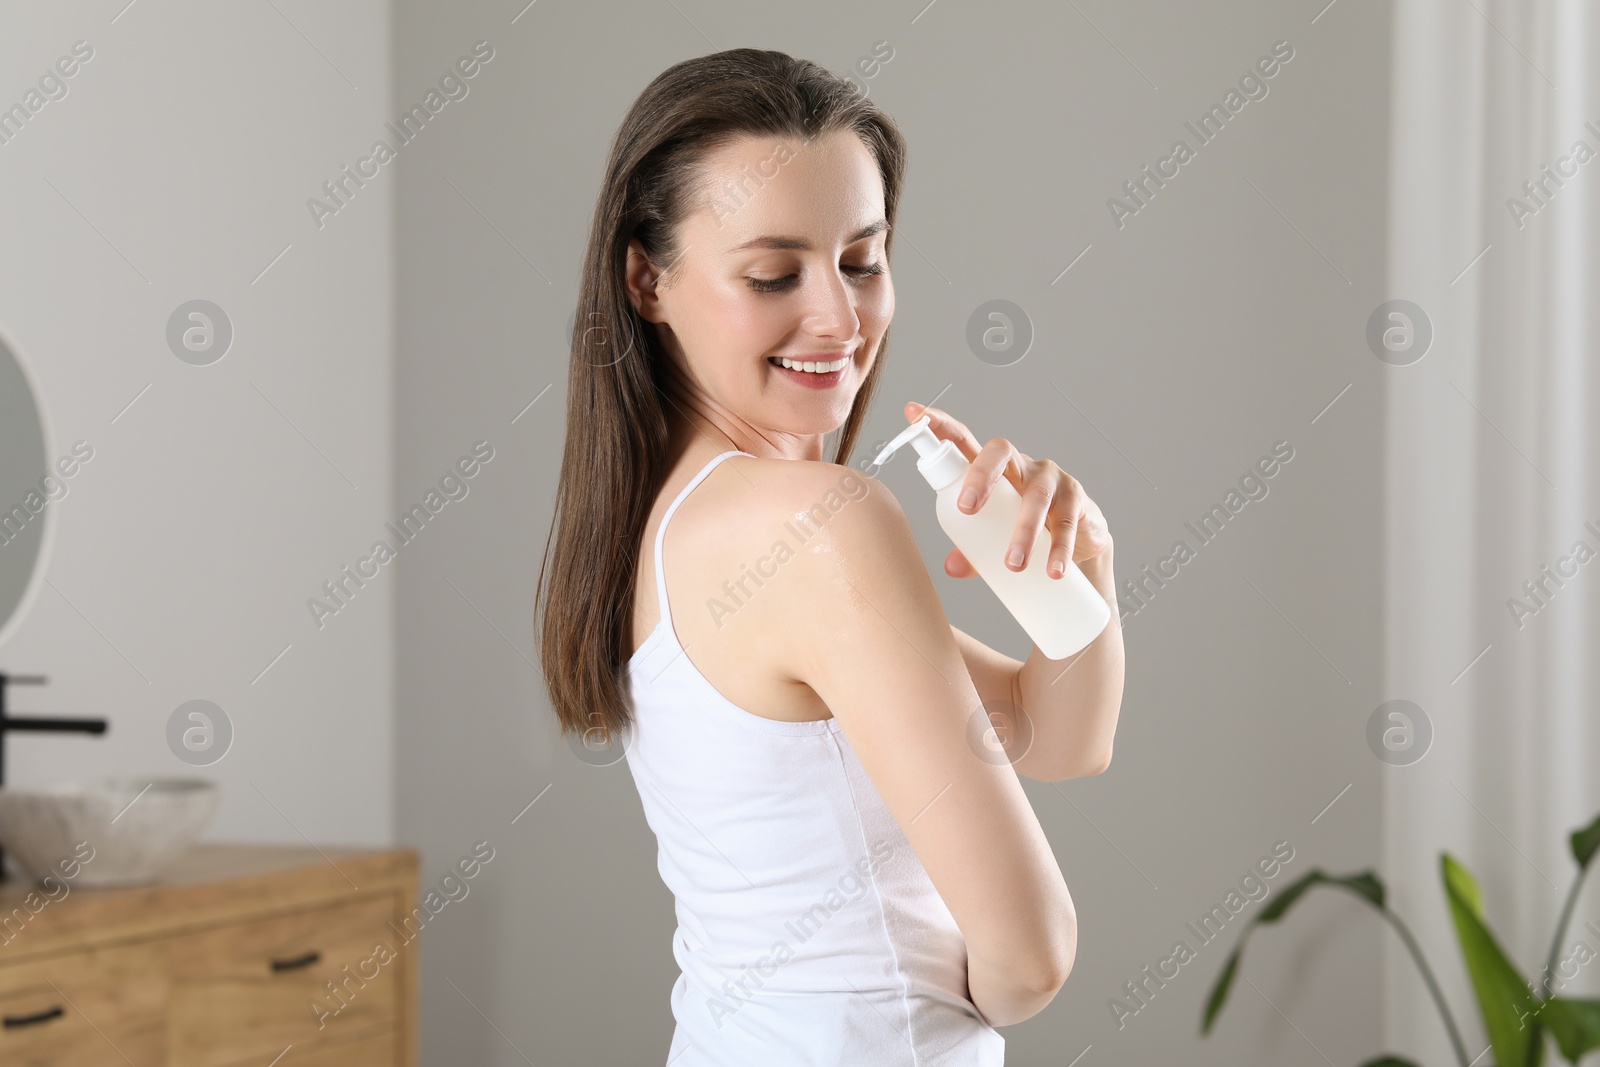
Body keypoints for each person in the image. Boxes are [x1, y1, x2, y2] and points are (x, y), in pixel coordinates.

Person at [536, 47, 1126, 1066]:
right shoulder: (814, 522)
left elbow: (1049, 732)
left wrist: (1084, 573)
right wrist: (938, 1001)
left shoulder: (669, 522)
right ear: (646, 278)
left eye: (861, 259)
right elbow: (1032, 956)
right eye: (772, 274)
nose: (839, 317)